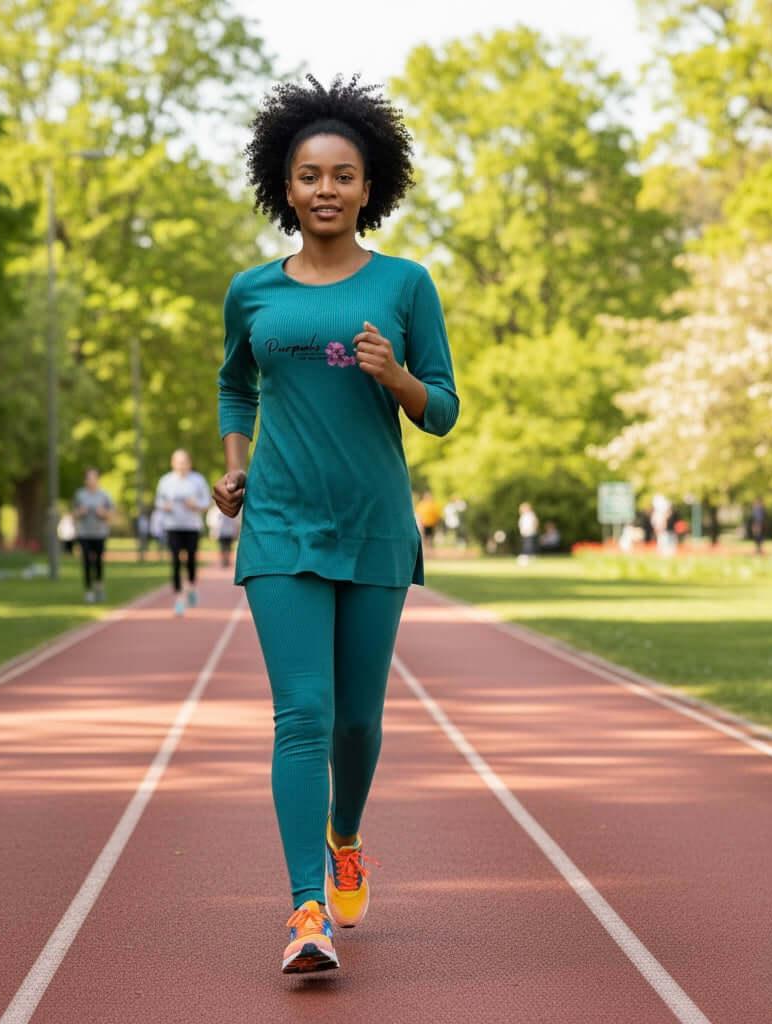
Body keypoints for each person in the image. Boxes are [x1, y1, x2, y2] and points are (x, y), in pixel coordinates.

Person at [214, 75, 458, 975]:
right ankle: (305, 908)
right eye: (310, 174)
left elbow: (442, 409)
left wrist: (395, 376)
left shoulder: (406, 284)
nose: (326, 189)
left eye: (343, 175)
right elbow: (235, 384)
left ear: (370, 187)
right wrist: (235, 464)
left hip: (373, 526)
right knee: (302, 715)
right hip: (278, 525)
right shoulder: (251, 291)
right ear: (285, 186)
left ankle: (345, 835)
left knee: (357, 721)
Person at [155, 449, 212, 615]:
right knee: (175, 561)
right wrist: (164, 506)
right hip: (172, 526)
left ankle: (192, 586)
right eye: (178, 462)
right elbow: (158, 501)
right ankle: (179, 598)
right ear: (173, 463)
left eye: (184, 462)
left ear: (189, 463)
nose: (181, 465)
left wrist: (196, 505)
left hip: (192, 526)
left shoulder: (198, 480)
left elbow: (207, 502)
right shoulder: (165, 481)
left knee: (191, 560)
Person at [73, 467, 114, 603]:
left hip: (99, 533)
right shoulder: (80, 495)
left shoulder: (104, 495)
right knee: (86, 562)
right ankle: (88, 590)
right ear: (85, 480)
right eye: (89, 478)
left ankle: (99, 586)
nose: (92, 480)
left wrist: (103, 513)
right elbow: (74, 514)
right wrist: (81, 512)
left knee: (98, 562)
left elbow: (111, 514)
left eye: (94, 477)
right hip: (84, 533)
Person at [207, 503, 241, 568]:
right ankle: (223, 560)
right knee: (222, 547)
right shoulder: (215, 510)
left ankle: (227, 560)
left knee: (228, 546)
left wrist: (236, 531)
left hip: (230, 531)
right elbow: (212, 522)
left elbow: (236, 521)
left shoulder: (233, 508)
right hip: (220, 532)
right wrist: (213, 532)